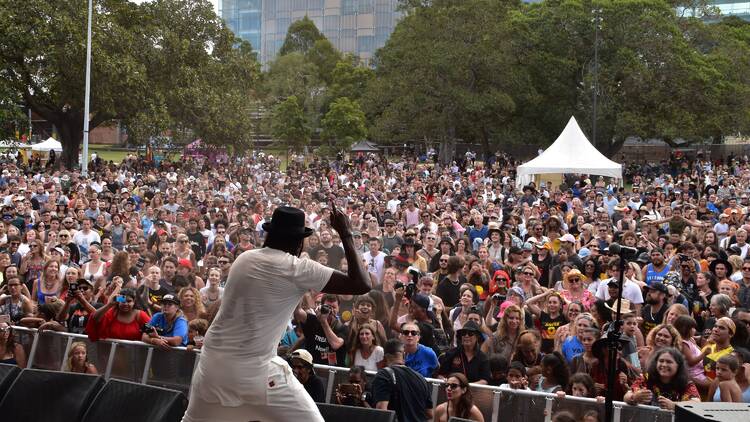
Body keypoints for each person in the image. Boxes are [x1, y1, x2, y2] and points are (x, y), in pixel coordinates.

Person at [182, 205, 370, 422]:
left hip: (213, 366)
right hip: (257, 372)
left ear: (270, 234)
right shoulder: (298, 268)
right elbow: (361, 283)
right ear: (300, 242)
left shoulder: (244, 259)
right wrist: (345, 233)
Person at [372, 338, 433, 422]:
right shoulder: (422, 379)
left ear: (385, 357)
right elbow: (430, 414)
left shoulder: (383, 375)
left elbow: (382, 411)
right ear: (404, 355)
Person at [625, 347, 701, 410]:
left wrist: (674, 406)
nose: (664, 365)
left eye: (669, 362)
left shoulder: (686, 383)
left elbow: (696, 404)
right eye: (661, 361)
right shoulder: (646, 378)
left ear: (678, 366)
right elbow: (626, 396)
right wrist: (634, 397)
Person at [86, 287, 151, 341]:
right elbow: (94, 319)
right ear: (118, 302)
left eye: (129, 301)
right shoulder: (113, 312)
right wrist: (109, 305)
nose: (125, 304)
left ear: (134, 302)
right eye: (122, 301)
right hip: (111, 352)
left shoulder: (140, 315)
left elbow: (151, 331)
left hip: (134, 353)